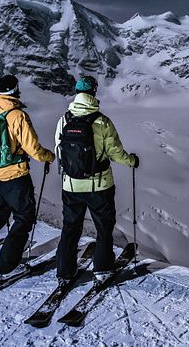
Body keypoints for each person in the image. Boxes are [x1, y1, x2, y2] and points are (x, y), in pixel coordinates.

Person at [0, 74, 55, 282]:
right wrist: (49, 156)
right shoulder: (17, 115)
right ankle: (7, 267)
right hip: (16, 176)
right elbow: (32, 149)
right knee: (23, 219)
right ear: (15, 90)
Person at [54, 75, 139, 283]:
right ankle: (102, 269)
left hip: (70, 185)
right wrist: (132, 161)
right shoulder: (101, 122)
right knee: (103, 227)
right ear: (94, 93)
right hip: (99, 186)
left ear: (77, 93)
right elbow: (116, 152)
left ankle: (64, 272)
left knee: (70, 227)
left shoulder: (64, 120)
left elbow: (59, 149)